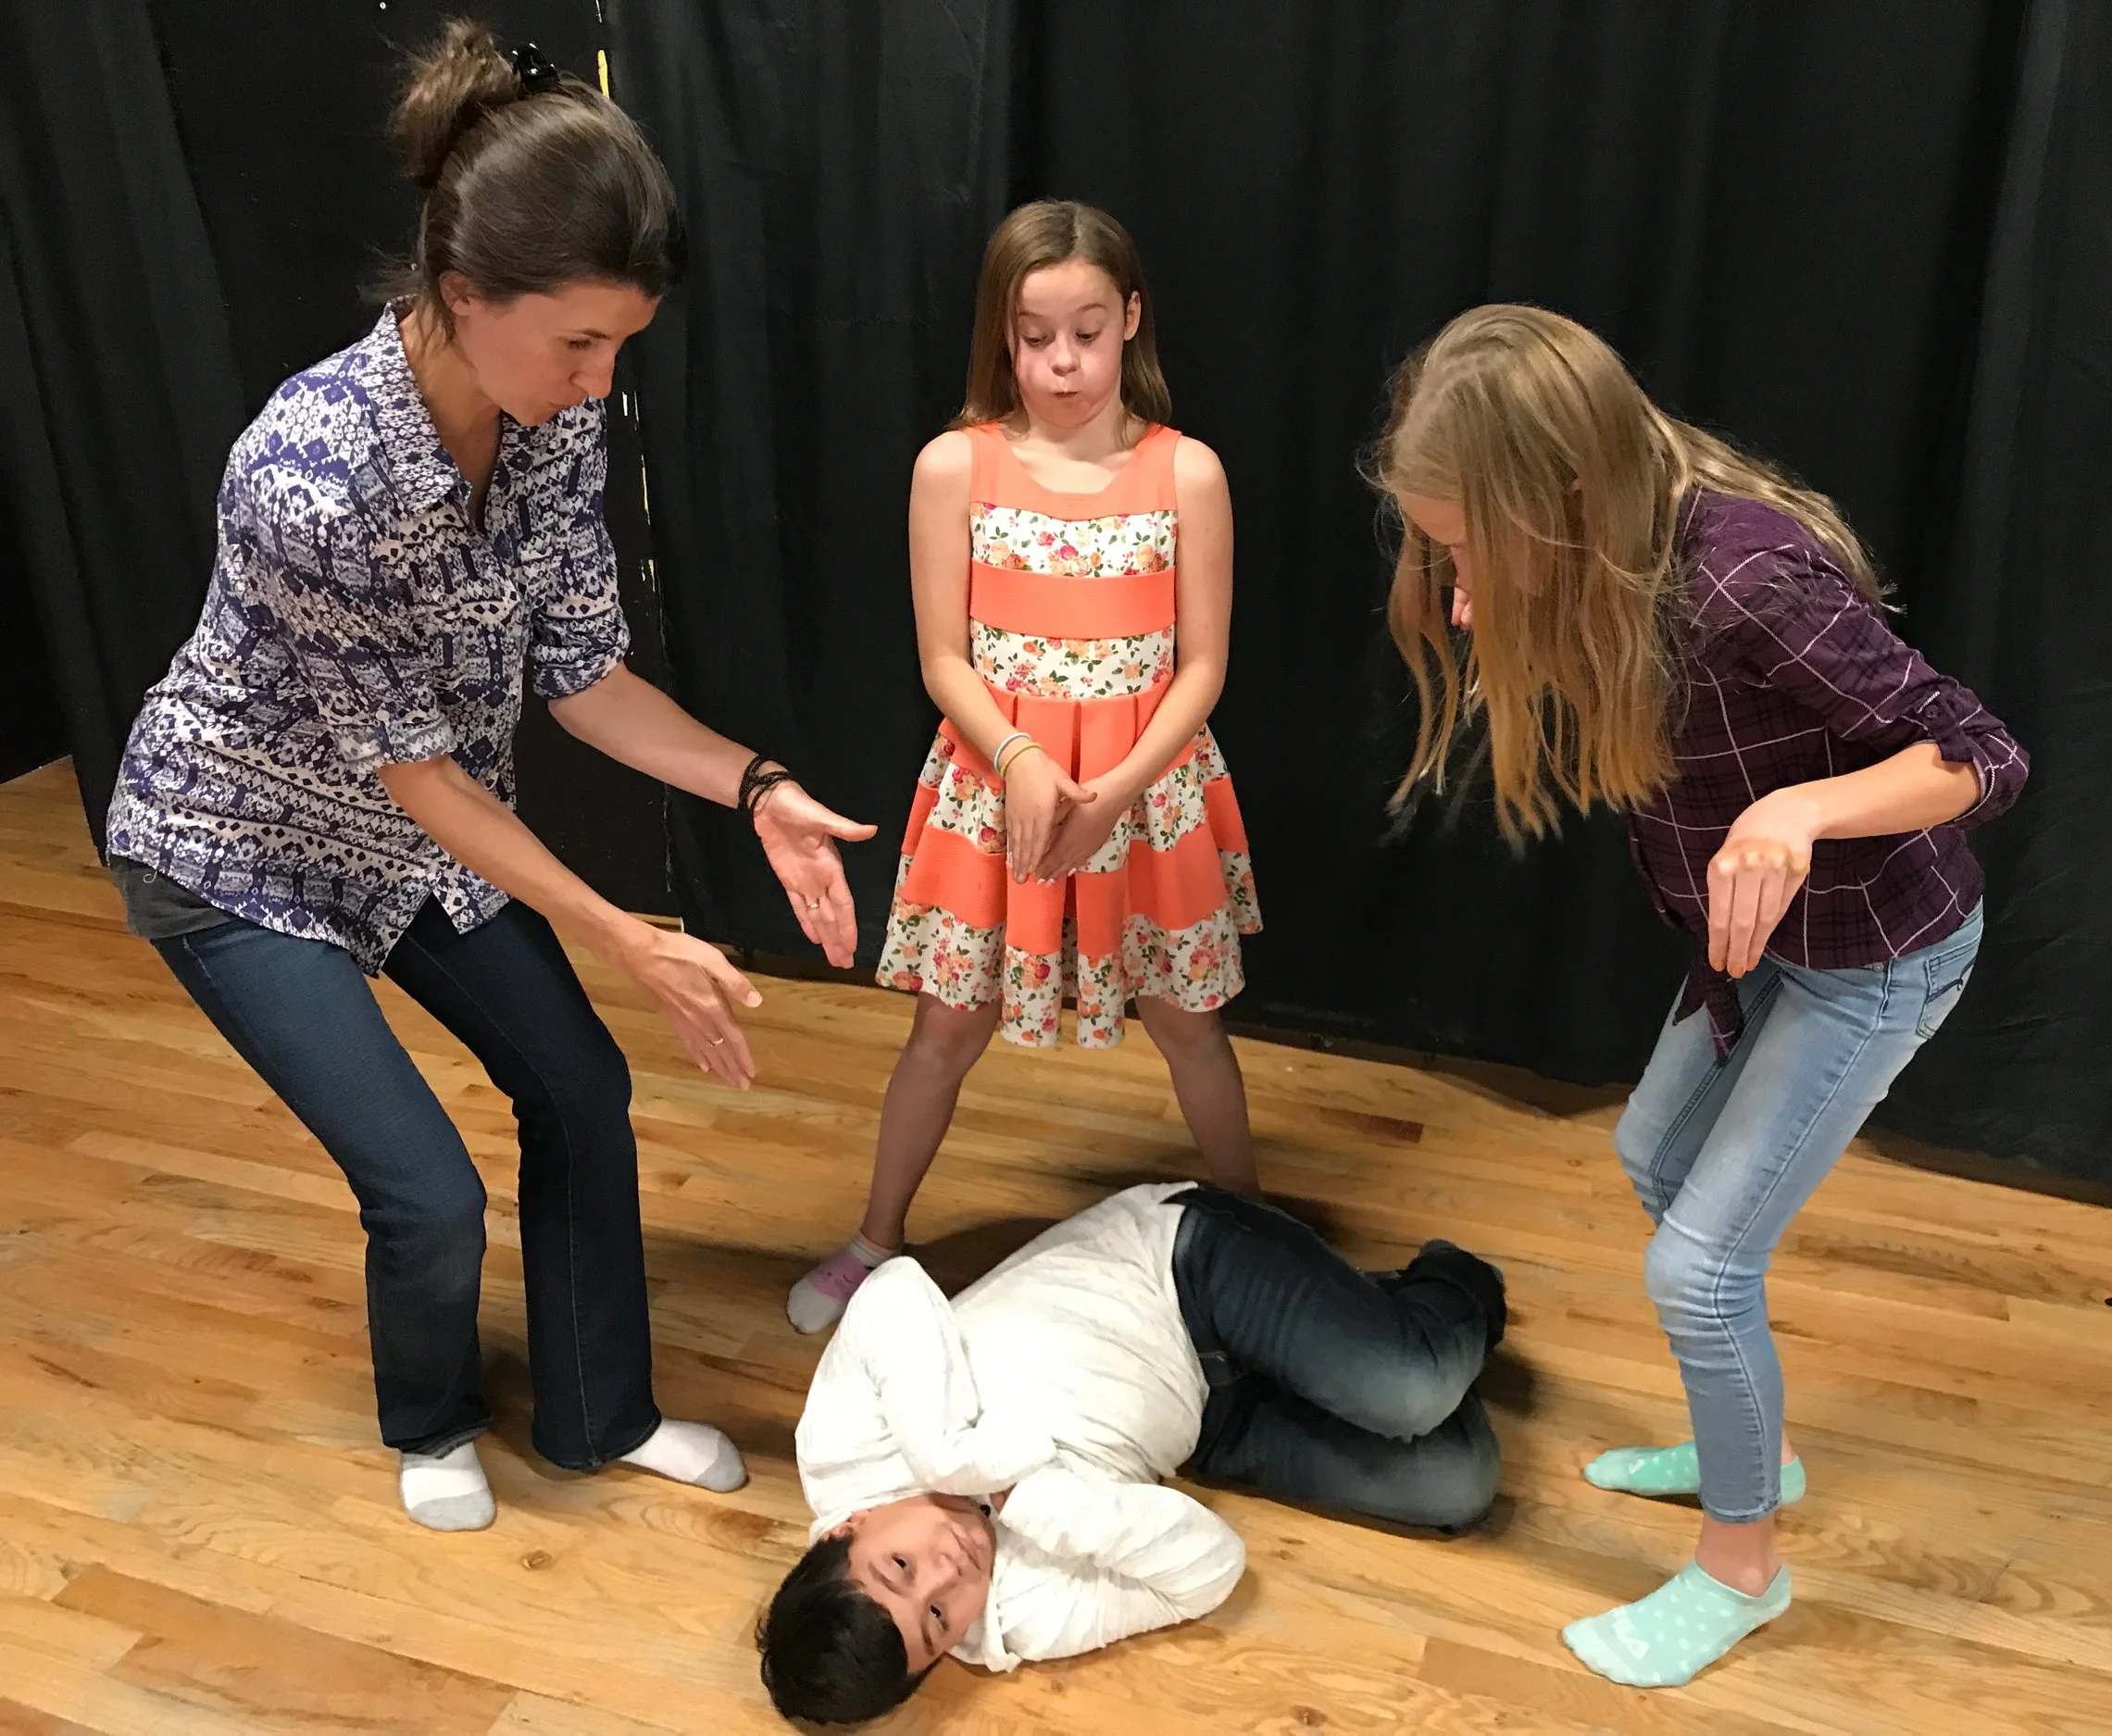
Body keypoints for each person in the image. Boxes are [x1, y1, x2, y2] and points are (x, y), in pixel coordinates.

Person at [103, 20, 875, 1533]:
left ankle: (602, 1414)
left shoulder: (547, 430)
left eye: (619, 347)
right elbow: (419, 776)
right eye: (578, 343)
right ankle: (430, 1415)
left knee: (579, 1085)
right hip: (233, 845)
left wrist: (759, 785)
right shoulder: (312, 473)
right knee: (428, 1190)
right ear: (463, 295)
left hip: (410, 832)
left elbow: (587, 681)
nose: (598, 381)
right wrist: (629, 933)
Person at [1372, 306, 2029, 1687]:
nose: (1459, 593)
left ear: (1560, 493)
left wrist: (1797, 811)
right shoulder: (1607, 546)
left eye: (1470, 548)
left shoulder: (1746, 581)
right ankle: (1756, 1445)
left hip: (1877, 955)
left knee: (1699, 1268)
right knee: (1653, 1158)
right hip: (1761, 948)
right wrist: (1503, 594)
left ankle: (1743, 1565)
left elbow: (1981, 753)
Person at [786, 201, 1264, 1334]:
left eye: (1086, 334)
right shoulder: (955, 465)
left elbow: (1201, 667)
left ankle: (1258, 1241)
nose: (1062, 363)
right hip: (994, 793)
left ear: (1130, 319)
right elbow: (942, 658)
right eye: (1035, 335)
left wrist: (1118, 791)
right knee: (945, 1029)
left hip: (1147, 797)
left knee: (1188, 1020)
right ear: (1000, 334)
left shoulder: (1187, 473)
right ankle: (876, 1236)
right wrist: (1020, 760)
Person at [759, 1181, 1506, 1724]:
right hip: (1204, 1420)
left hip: (1176, 1267)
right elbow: (1211, 1569)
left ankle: (1451, 1289)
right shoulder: (1024, 1619)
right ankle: (1357, 1324)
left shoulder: (842, 1450)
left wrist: (947, 1457)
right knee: (1457, 1483)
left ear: (845, 1527)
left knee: (1413, 1387)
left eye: (899, 1566)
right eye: (938, 1618)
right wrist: (1031, 1501)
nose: (949, 1572)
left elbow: (894, 1289)